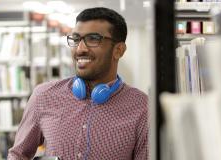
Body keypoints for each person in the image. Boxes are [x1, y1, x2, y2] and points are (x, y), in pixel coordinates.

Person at [8, 7, 148, 160]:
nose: (80, 49)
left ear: (119, 50)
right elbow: (17, 154)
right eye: (76, 39)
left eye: (93, 39)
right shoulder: (43, 96)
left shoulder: (142, 107)